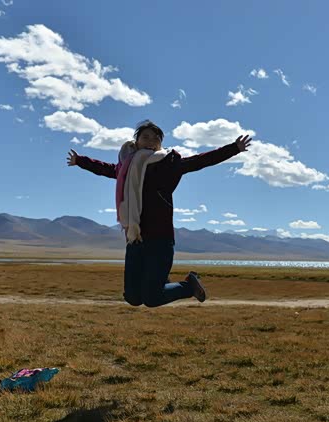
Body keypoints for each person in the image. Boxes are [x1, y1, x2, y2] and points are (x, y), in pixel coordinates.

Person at [67, 120, 252, 307]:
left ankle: (189, 286)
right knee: (133, 297)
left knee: (152, 298)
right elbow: (105, 169)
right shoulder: (127, 167)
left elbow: (200, 161)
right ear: (137, 140)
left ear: (160, 143)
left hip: (160, 239)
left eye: (156, 138)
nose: (150, 141)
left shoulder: (169, 163)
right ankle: (161, 281)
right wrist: (80, 161)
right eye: (145, 137)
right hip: (135, 239)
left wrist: (233, 148)